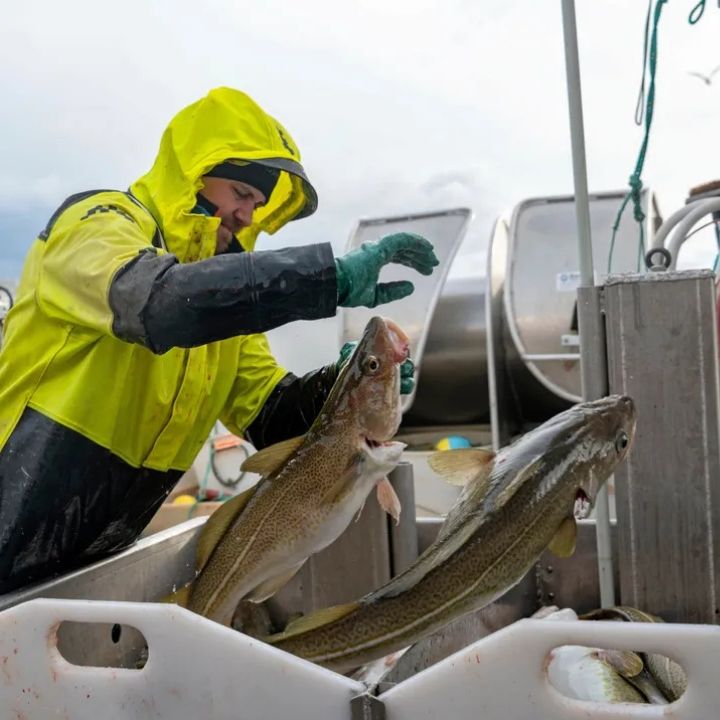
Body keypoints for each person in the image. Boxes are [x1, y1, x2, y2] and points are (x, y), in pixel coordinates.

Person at [0, 87, 438, 593]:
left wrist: (347, 387)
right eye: (241, 193)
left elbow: (270, 415)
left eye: (258, 204)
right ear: (194, 174)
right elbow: (157, 302)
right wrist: (326, 279)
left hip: (84, 571)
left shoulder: (224, 319)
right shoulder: (100, 223)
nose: (248, 216)